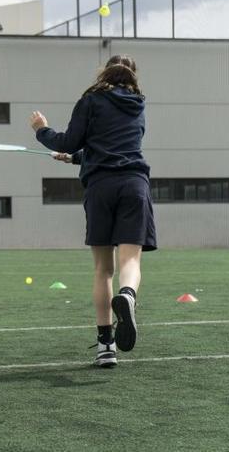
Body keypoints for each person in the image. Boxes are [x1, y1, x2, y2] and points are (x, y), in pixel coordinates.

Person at [30, 54, 156, 368]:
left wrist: (41, 130)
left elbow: (69, 141)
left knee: (103, 270)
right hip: (133, 184)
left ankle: (105, 346)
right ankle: (128, 295)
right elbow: (114, 146)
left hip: (101, 188)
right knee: (130, 260)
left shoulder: (91, 100)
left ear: (104, 73)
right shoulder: (138, 105)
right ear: (133, 76)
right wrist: (74, 158)